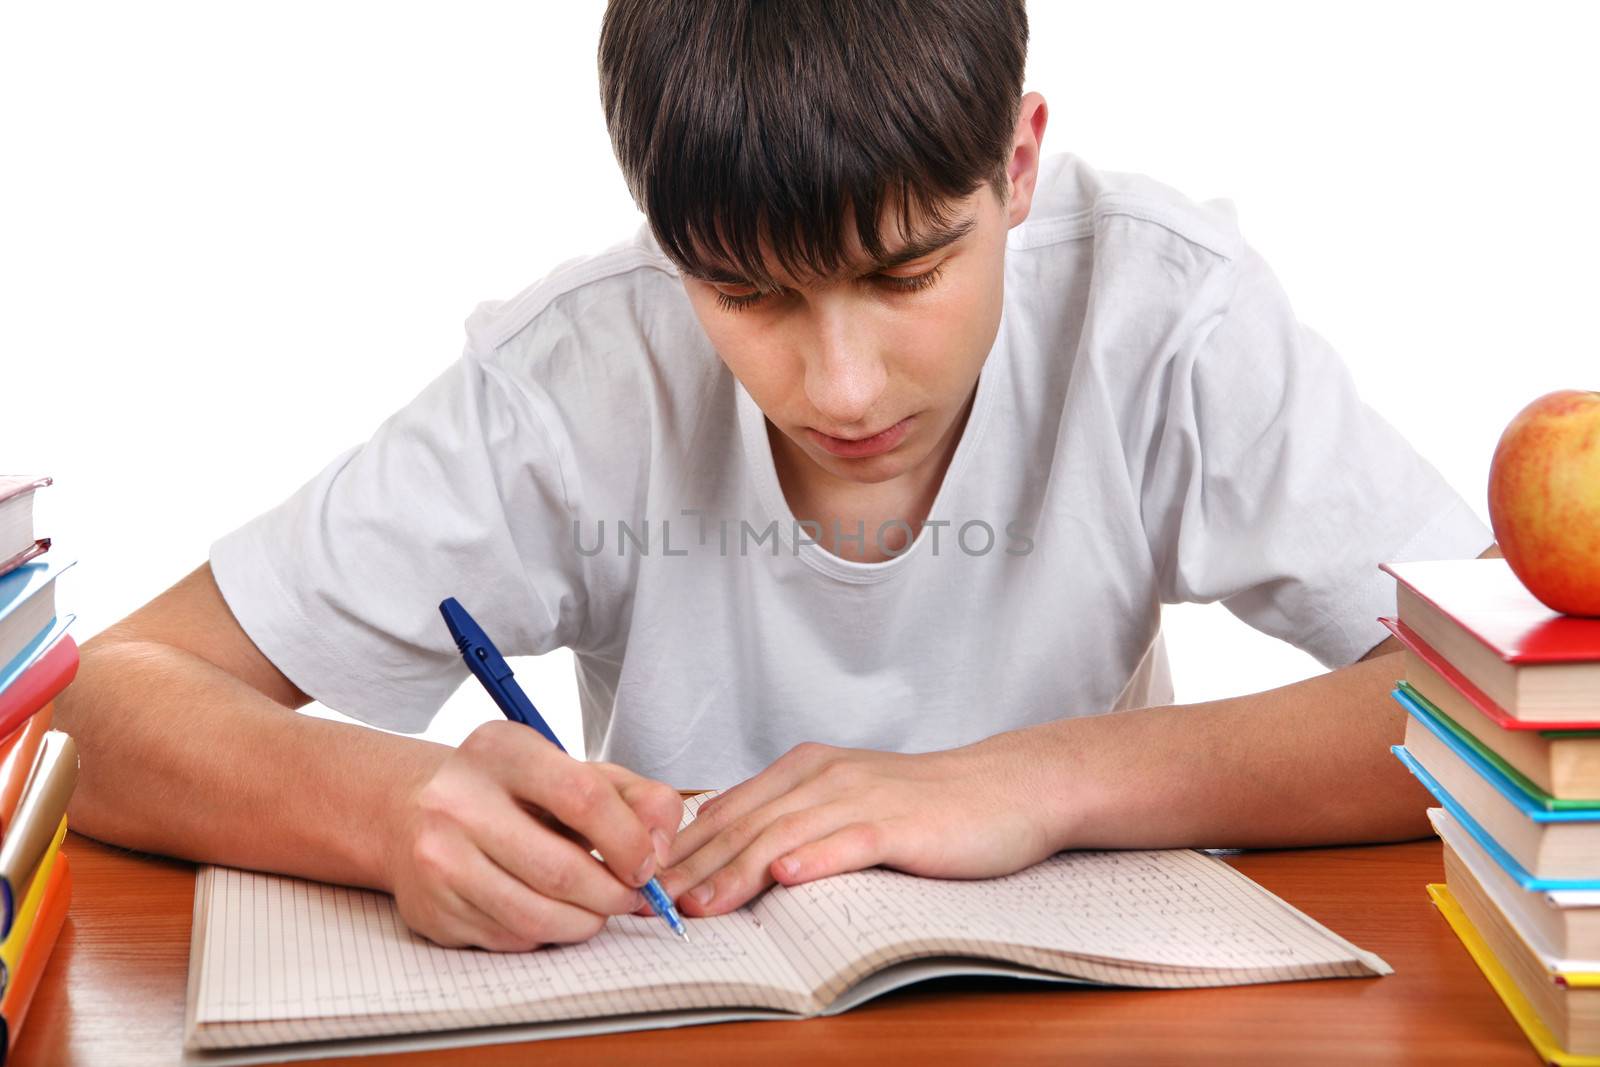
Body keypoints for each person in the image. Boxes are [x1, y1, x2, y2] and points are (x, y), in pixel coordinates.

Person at [56, 0, 1494, 953]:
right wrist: (384, 807)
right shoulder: (579, 375)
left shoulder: (1163, 311)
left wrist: (1035, 780)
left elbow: (1522, 711)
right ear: (665, 237)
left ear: (1019, 160)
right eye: (747, 296)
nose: (844, 389)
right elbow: (100, 708)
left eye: (908, 270)